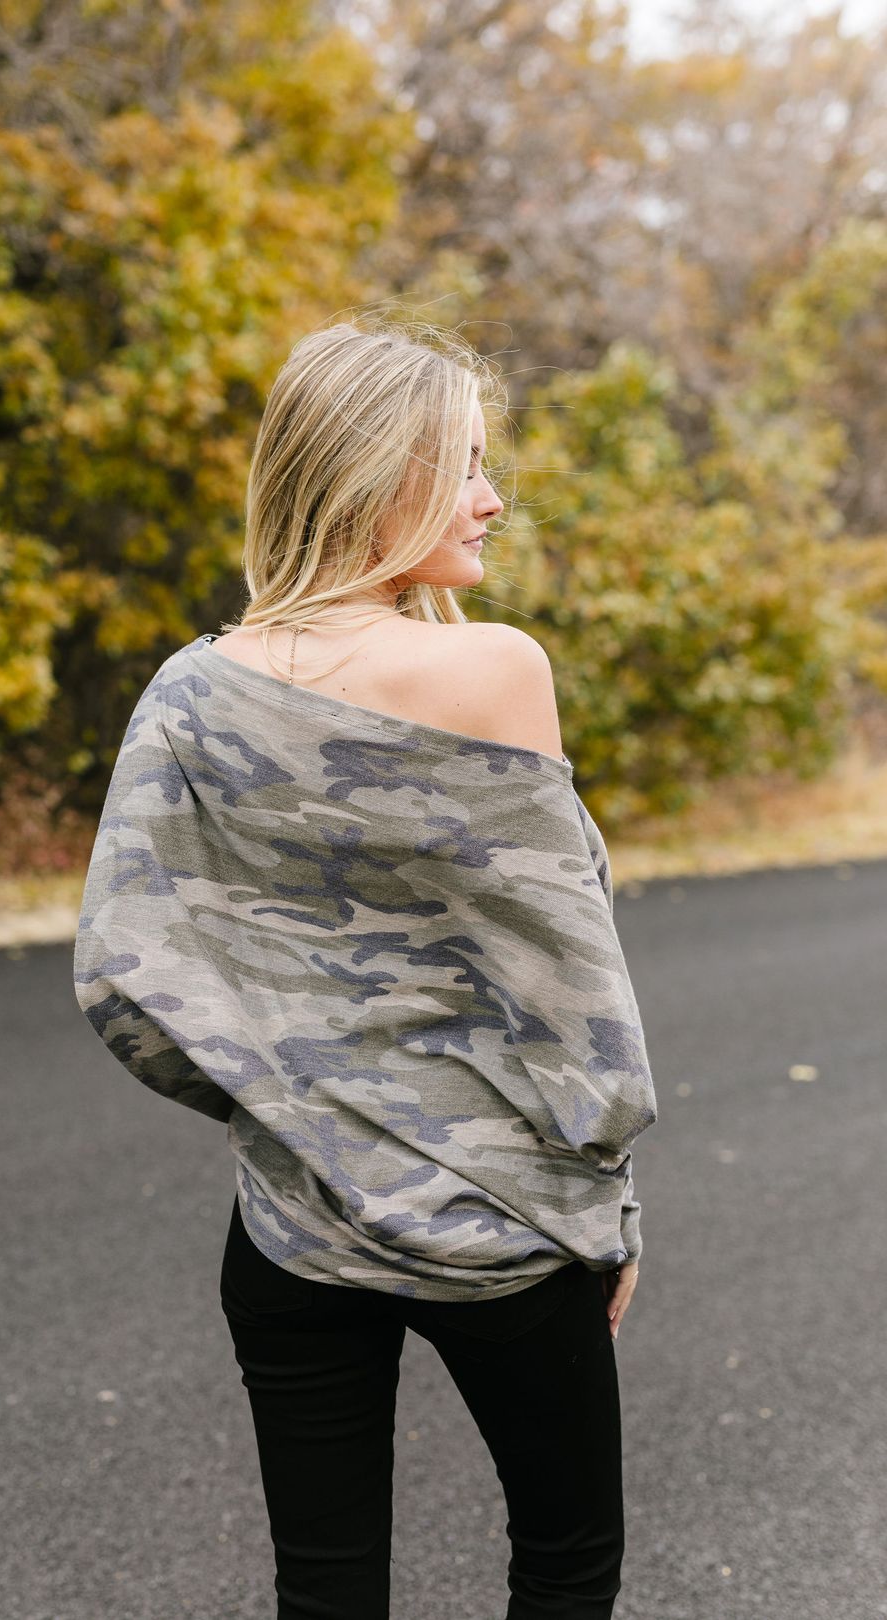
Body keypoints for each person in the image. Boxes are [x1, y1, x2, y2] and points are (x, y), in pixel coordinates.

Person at [73, 314, 658, 1620]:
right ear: (373, 471)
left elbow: (123, 979)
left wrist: (292, 1101)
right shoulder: (496, 669)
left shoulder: (189, 690)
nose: (491, 496)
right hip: (504, 1227)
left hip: (289, 1228)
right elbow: (572, 997)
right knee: (564, 1563)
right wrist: (605, 1202)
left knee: (325, 1593)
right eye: (462, 464)